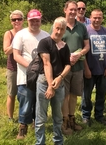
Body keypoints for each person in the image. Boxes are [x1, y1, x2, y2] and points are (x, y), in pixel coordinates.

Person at [13, 9, 50, 139]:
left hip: (42, 76)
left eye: (37, 20)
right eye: (32, 20)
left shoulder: (46, 36)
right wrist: (31, 68)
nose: (35, 23)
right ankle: (23, 127)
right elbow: (16, 55)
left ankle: (37, 124)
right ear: (28, 20)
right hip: (25, 76)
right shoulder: (20, 35)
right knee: (26, 102)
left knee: (39, 102)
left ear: (40, 20)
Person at [35, 17, 71, 145]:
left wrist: (60, 78)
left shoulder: (65, 46)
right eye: (57, 28)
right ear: (53, 27)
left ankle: (58, 141)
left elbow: (68, 64)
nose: (59, 31)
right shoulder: (44, 43)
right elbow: (46, 63)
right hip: (45, 82)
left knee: (58, 117)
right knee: (41, 117)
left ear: (65, 30)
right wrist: (50, 86)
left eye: (62, 29)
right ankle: (40, 143)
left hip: (59, 83)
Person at [60, 0, 90, 134]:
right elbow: (53, 44)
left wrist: (79, 54)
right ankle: (64, 121)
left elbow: (87, 46)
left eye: (75, 9)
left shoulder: (82, 27)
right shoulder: (60, 24)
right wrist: (67, 57)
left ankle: (72, 120)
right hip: (63, 68)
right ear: (65, 10)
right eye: (70, 9)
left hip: (78, 67)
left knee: (73, 95)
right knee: (64, 95)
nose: (73, 12)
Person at [81, 9, 106, 125]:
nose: (97, 20)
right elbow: (82, 51)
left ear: (102, 18)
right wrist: (86, 68)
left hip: (103, 70)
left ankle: (99, 116)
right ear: (90, 18)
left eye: (99, 17)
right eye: (95, 17)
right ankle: (86, 116)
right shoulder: (86, 31)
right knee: (87, 95)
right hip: (90, 69)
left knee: (101, 94)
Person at [3, 10, 24, 122]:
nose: (17, 21)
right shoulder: (8, 34)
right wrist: (15, 42)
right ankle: (10, 117)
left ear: (23, 20)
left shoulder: (26, 32)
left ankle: (24, 116)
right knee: (12, 94)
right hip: (13, 68)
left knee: (24, 95)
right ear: (11, 21)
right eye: (14, 19)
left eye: (19, 19)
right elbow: (6, 51)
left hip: (24, 68)